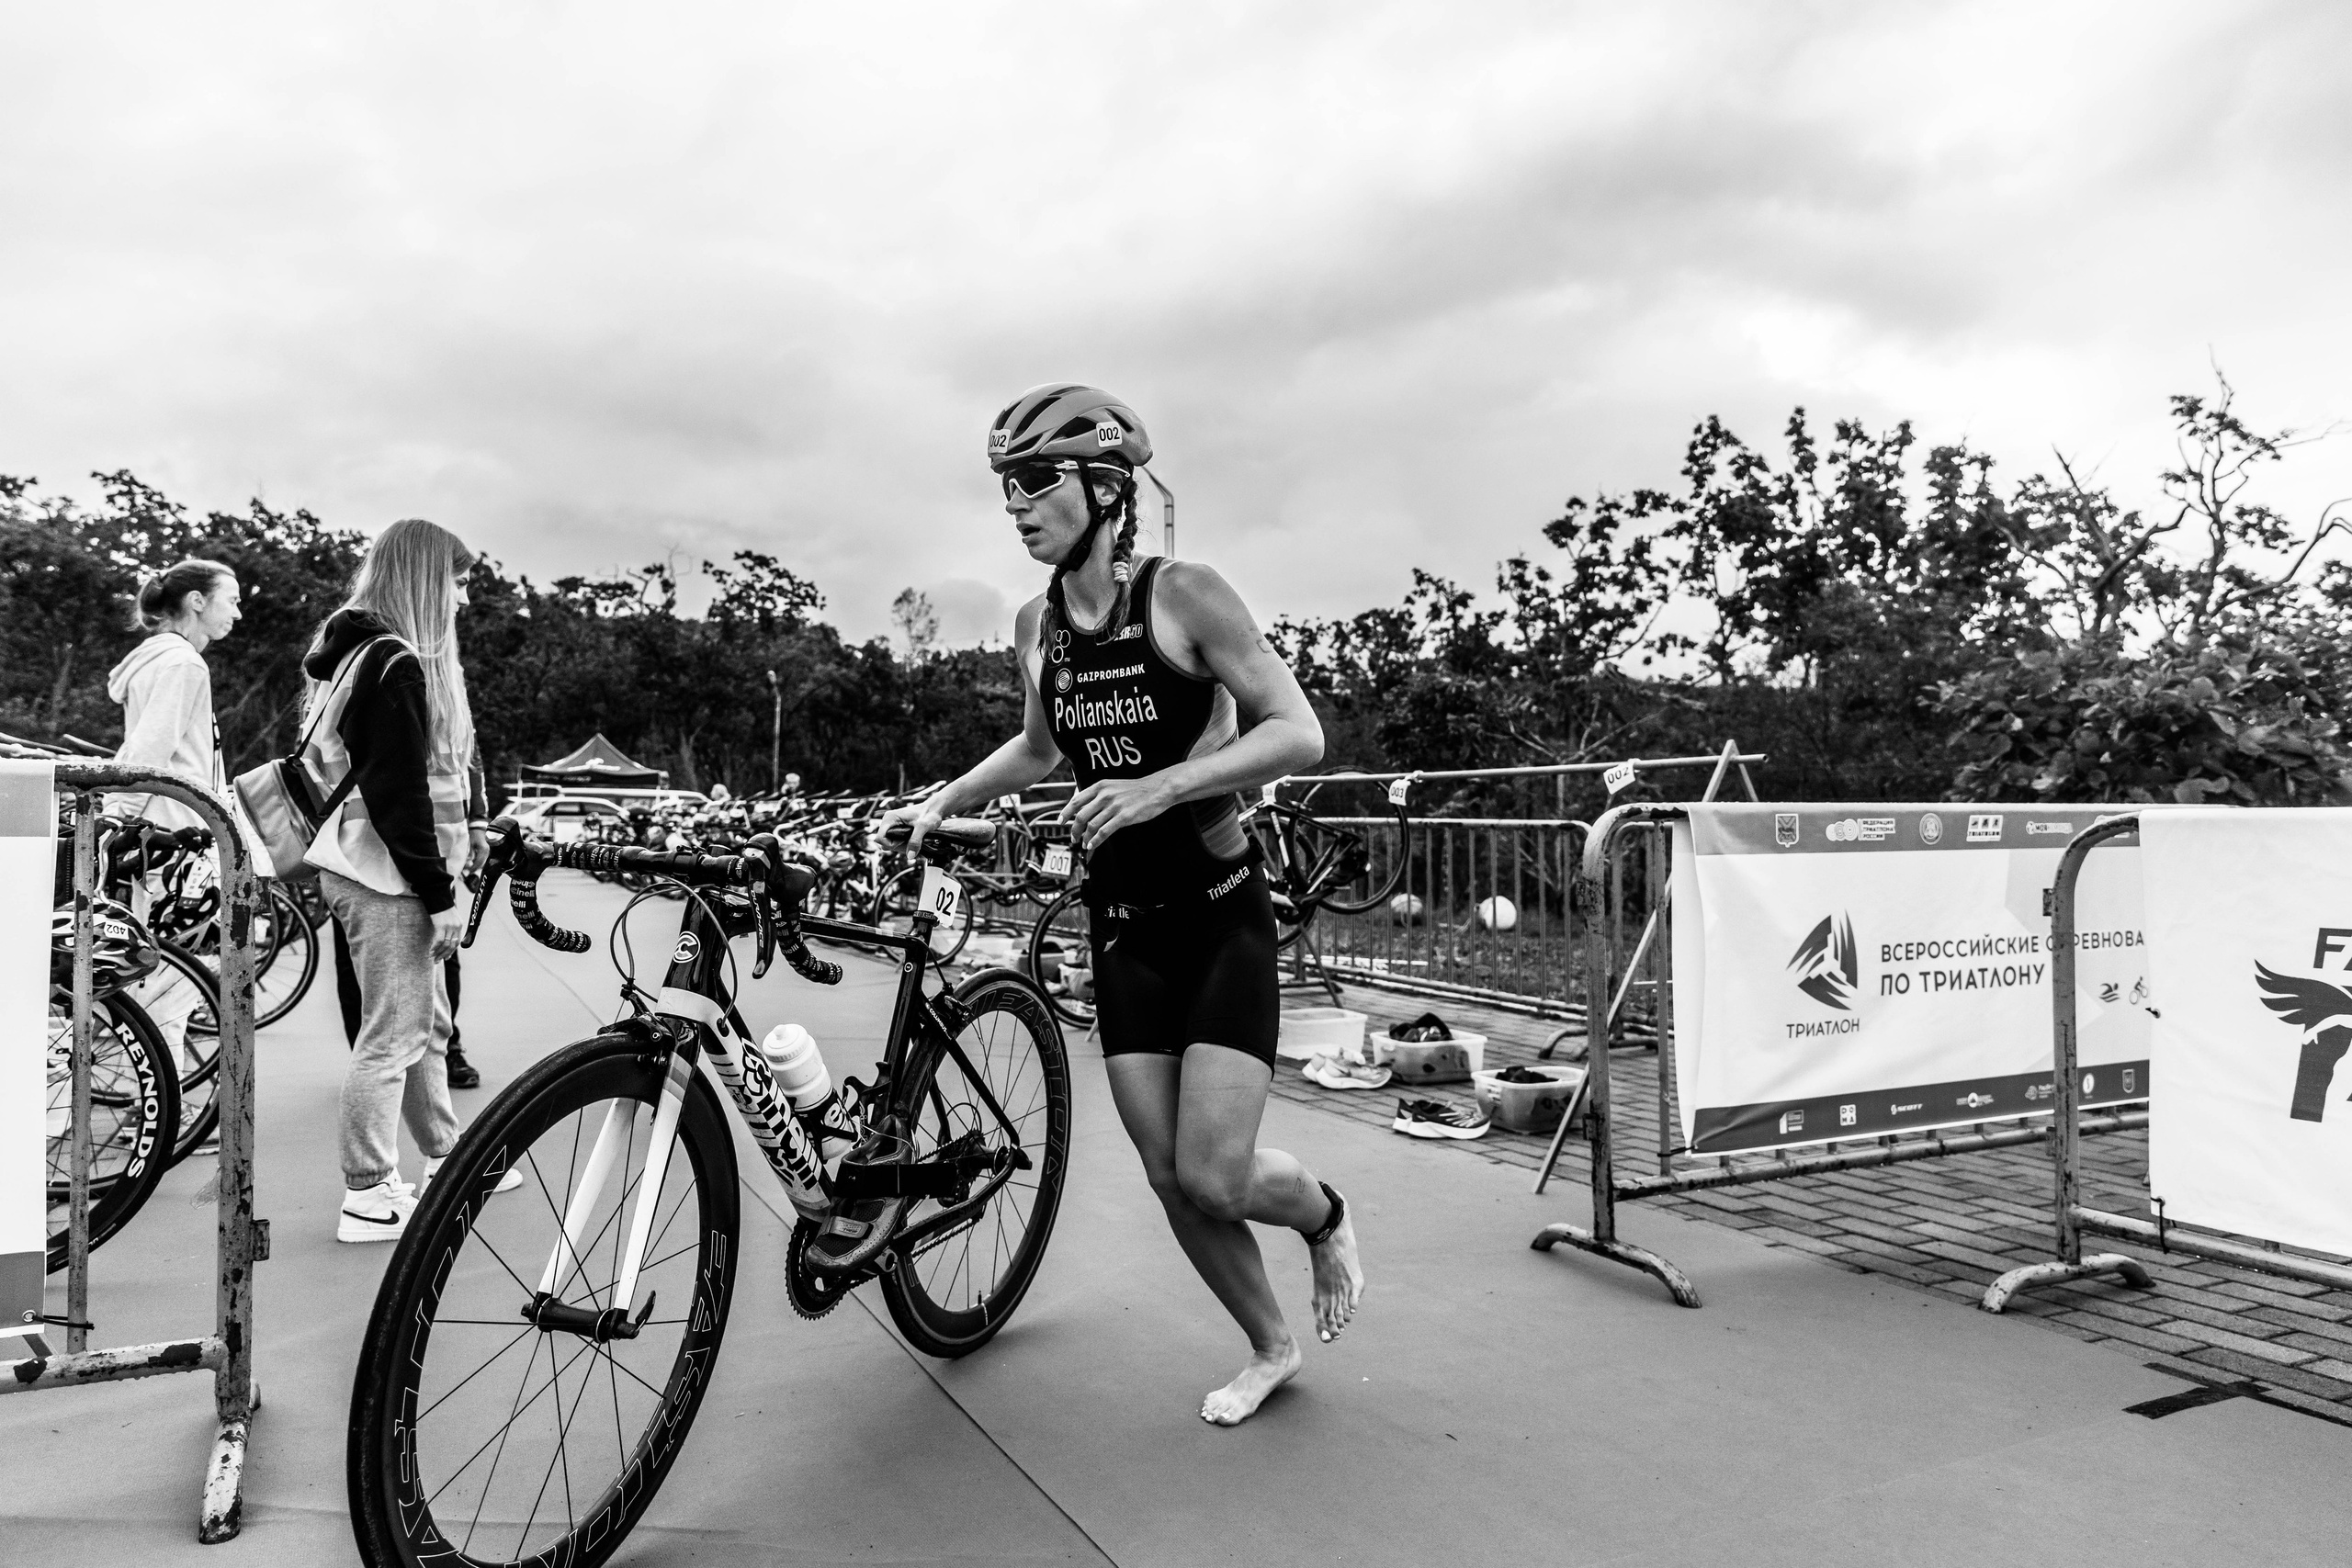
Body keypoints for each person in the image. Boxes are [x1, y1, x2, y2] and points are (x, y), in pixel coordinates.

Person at [886, 384, 1363, 1426]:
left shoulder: (1185, 595)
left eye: (1034, 482)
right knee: (1165, 1173)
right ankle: (1271, 1344)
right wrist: (946, 797)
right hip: (1123, 925)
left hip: (1219, 912)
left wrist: (1163, 786)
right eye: (1004, 487)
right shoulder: (1037, 624)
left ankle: (1323, 1216)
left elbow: (1297, 731)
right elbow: (1042, 748)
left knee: (1218, 1177)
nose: (1014, 506)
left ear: (1104, 488)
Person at [301, 518, 513, 1242]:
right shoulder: (395, 663)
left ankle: (446, 1154)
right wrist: (441, 893)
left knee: (423, 1023)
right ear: (427, 579)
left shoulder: (362, 657)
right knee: (394, 1033)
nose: (461, 596)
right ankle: (367, 1191)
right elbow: (400, 795)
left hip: (367, 869)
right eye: (455, 580)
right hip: (386, 874)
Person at [330, 746, 490, 1087]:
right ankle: (370, 1059)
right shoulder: (388, 692)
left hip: (427, 846)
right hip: (365, 844)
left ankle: (437, 1052)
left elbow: (467, 751)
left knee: (440, 960)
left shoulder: (446, 697)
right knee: (362, 969)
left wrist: (476, 820)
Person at [108, 558, 242, 835]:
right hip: (174, 832)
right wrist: (123, 820)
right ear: (197, 601)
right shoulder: (184, 664)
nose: (237, 613)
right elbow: (150, 750)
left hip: (158, 829)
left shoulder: (157, 657)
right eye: (232, 601)